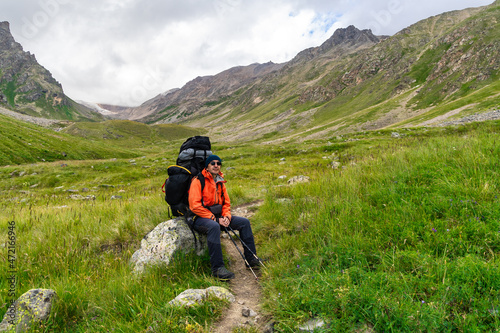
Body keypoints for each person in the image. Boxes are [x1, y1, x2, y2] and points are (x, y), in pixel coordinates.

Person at [188, 154, 261, 280]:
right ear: (207, 166)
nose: (216, 165)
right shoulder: (198, 181)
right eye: (213, 163)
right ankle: (217, 269)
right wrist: (215, 219)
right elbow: (194, 206)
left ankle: (251, 260)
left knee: (244, 222)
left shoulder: (220, 181)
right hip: (198, 218)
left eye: (218, 163)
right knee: (214, 226)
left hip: (219, 217)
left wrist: (226, 216)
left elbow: (226, 203)